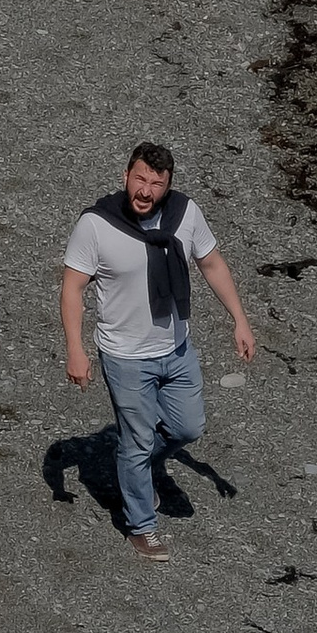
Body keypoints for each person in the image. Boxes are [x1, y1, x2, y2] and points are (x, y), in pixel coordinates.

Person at [60, 144, 256, 559]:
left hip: (176, 347)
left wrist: (239, 319)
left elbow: (213, 264)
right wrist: (76, 350)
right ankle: (141, 525)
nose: (145, 191)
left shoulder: (186, 214)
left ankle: (135, 464)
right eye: (140, 179)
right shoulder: (96, 225)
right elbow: (73, 287)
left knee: (188, 428)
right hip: (126, 356)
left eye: (156, 184)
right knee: (136, 439)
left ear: (168, 187)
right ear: (125, 175)